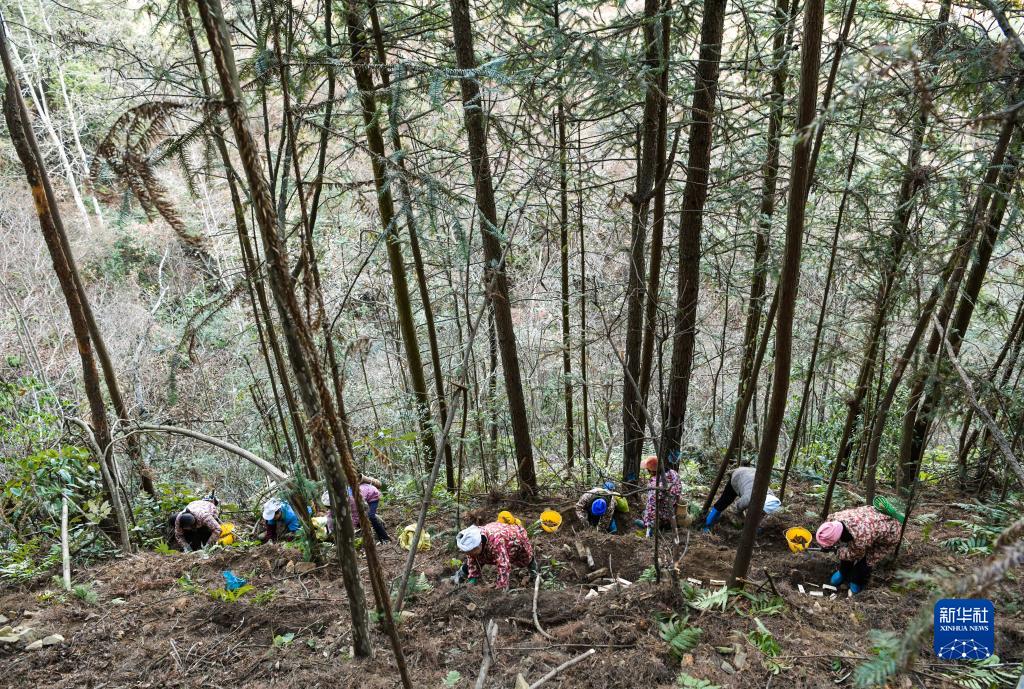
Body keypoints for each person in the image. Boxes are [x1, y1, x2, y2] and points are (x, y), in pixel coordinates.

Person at [815, 505, 901, 594]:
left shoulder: (860, 537)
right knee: (847, 548)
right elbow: (840, 543)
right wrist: (828, 547)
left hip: (889, 533)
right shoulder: (833, 519)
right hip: (869, 521)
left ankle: (856, 580)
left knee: (868, 560)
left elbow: (854, 554)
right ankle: (844, 572)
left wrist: (838, 551)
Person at [452, 522, 537, 590]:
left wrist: (501, 588)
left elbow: (503, 566)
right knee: (477, 558)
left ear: (479, 544)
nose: (470, 554)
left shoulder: (496, 543)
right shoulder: (472, 538)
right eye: (468, 552)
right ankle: (459, 576)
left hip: (516, 538)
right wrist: (472, 579)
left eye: (472, 551)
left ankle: (534, 574)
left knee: (525, 560)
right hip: (494, 536)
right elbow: (472, 561)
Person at [702, 466, 783, 533]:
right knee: (725, 501)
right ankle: (708, 523)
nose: (764, 514)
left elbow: (763, 513)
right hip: (738, 476)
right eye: (764, 512)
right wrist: (741, 522)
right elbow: (736, 508)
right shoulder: (749, 498)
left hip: (752, 474)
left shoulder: (772, 497)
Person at [640, 455, 681, 538]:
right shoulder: (673, 473)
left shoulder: (655, 484)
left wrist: (648, 522)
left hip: (662, 512)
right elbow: (679, 491)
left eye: (648, 469)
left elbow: (652, 506)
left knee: (648, 510)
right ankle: (665, 523)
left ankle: (650, 529)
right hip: (672, 508)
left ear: (651, 471)